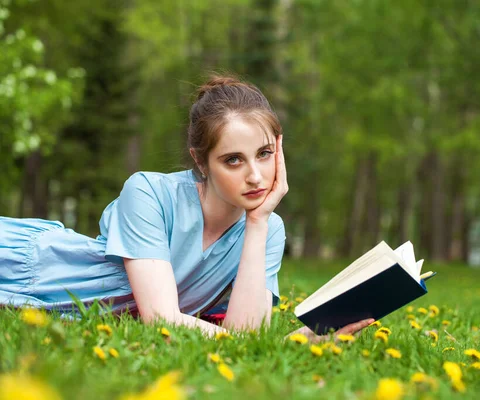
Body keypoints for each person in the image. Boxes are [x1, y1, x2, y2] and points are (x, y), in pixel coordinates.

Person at [0, 75, 373, 341]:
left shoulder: (267, 228)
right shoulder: (147, 192)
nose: (256, 176)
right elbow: (159, 318)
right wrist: (281, 343)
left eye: (264, 154)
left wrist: (258, 224)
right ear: (201, 161)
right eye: (233, 160)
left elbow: (244, 335)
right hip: (28, 271)